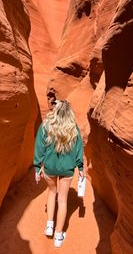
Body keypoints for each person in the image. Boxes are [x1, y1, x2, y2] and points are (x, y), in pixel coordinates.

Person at [33, 100, 84, 248]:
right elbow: (78, 149)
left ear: (56, 111)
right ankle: (58, 235)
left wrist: (37, 167)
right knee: (62, 200)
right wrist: (80, 168)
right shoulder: (74, 128)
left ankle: (49, 226)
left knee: (51, 192)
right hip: (67, 168)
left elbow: (39, 148)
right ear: (69, 113)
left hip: (49, 167)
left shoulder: (46, 126)